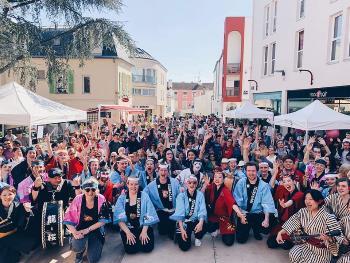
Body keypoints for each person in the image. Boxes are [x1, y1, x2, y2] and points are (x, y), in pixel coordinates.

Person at [276, 190, 344, 263]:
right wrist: (280, 233)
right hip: (306, 244)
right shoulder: (303, 211)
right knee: (293, 254)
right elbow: (292, 223)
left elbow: (339, 236)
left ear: (319, 201)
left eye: (311, 199)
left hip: (321, 249)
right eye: (306, 198)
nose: (307, 201)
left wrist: (329, 238)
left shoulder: (328, 217)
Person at [64, 178, 110, 263]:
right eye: (87, 190)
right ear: (83, 190)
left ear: (97, 190)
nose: (90, 192)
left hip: (96, 230)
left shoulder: (101, 199)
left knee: (93, 259)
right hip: (80, 229)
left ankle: (94, 245)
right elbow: (68, 218)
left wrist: (87, 230)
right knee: (76, 246)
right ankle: (79, 252)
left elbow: (103, 220)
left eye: (93, 189)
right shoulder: (78, 199)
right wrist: (74, 232)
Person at [233, 161, 277, 243]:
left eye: (253, 171)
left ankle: (256, 229)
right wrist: (241, 215)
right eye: (248, 171)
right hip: (245, 214)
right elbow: (236, 200)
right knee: (241, 240)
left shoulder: (263, 185)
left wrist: (266, 219)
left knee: (267, 227)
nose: (251, 173)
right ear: (246, 171)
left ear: (257, 171)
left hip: (257, 214)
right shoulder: (241, 183)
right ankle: (249, 227)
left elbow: (267, 203)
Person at [114, 176, 159, 254]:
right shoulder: (122, 198)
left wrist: (144, 231)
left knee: (147, 248)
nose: (133, 187)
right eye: (131, 184)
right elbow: (119, 218)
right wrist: (128, 232)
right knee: (131, 250)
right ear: (127, 185)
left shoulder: (144, 196)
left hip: (142, 226)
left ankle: (141, 238)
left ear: (139, 185)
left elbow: (149, 213)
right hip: (128, 228)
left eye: (136, 184)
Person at [205, 171, 245, 246]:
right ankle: (217, 228)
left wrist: (239, 213)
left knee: (229, 242)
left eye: (220, 177)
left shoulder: (225, 191)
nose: (217, 179)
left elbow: (232, 203)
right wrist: (206, 185)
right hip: (214, 217)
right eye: (215, 177)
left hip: (225, 218)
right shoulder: (212, 186)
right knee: (207, 228)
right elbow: (206, 192)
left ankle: (221, 230)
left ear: (223, 179)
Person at [0, 185, 36, 263]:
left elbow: (22, 225)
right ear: (0, 196)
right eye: (4, 195)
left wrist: (27, 213)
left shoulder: (19, 206)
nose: (7, 197)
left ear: (15, 195)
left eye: (10, 194)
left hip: (13, 235)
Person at [267, 175, 304, 250]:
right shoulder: (282, 190)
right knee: (271, 243)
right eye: (284, 182)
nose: (286, 183)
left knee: (285, 245)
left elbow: (292, 200)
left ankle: (286, 239)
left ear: (294, 182)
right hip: (282, 223)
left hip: (294, 225)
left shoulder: (300, 194)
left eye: (289, 181)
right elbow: (271, 185)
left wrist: (285, 205)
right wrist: (276, 172)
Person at [144, 162, 180, 239]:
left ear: (168, 171)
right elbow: (144, 194)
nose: (163, 172)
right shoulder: (152, 185)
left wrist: (183, 189)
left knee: (171, 233)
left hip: (173, 210)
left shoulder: (174, 182)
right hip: (161, 210)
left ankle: (174, 225)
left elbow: (180, 194)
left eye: (165, 170)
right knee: (162, 232)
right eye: (161, 170)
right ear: (158, 171)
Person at [170, 175, 207, 251]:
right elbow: (179, 213)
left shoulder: (200, 195)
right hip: (185, 222)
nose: (192, 185)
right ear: (186, 184)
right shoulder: (181, 196)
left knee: (204, 223)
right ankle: (179, 230)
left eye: (194, 183)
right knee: (184, 247)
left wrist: (201, 223)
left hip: (195, 220)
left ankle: (198, 236)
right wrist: (182, 229)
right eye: (189, 182)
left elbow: (202, 210)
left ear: (197, 184)